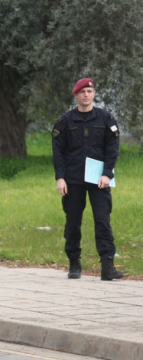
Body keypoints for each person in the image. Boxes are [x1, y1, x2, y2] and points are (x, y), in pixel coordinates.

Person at [52, 78, 123, 281]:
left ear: (94, 94)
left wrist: (107, 174)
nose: (86, 95)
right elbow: (58, 152)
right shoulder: (65, 121)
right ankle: (74, 263)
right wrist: (60, 177)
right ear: (76, 95)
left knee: (102, 220)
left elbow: (112, 149)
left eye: (90, 91)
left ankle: (107, 266)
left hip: (98, 179)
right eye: (82, 91)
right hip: (73, 178)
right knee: (73, 222)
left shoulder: (106, 118)